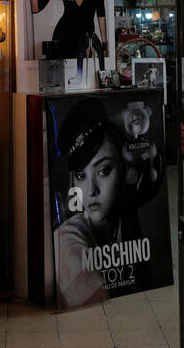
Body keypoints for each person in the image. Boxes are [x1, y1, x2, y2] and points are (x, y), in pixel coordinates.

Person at [51, 95, 166, 308]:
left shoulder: (120, 221)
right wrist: (128, 210)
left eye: (103, 171)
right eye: (81, 176)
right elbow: (104, 312)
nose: (91, 190)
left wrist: (128, 211)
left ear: (125, 169)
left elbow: (141, 291)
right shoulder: (64, 241)